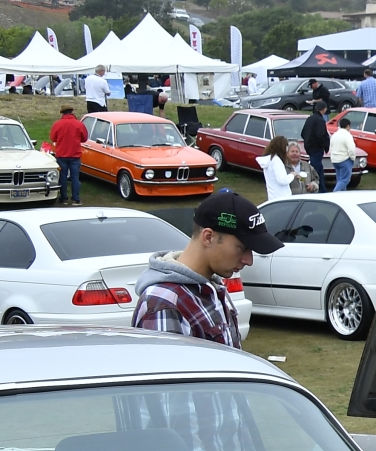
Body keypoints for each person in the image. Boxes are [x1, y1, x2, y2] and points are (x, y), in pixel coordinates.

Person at [131, 190, 282, 347]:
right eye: (242, 247)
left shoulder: (212, 288)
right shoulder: (164, 304)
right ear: (208, 237)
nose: (249, 260)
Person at [47, 105, 84, 205]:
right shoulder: (79, 124)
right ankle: (76, 199)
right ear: (72, 112)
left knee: (62, 177)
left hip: (61, 155)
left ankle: (63, 198)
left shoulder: (57, 124)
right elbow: (84, 138)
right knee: (75, 177)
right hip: (75, 155)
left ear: (62, 113)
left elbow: (53, 138)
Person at [257, 134, 303, 203]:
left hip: (273, 197)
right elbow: (282, 180)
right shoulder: (276, 161)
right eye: (286, 146)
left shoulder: (270, 160)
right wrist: (292, 175)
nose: (286, 149)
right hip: (281, 198)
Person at [300, 103, 331, 189]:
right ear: (323, 109)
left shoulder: (309, 119)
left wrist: (308, 141)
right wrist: (325, 145)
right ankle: (313, 186)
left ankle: (322, 188)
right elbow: (321, 135)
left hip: (309, 147)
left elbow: (303, 133)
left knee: (319, 168)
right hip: (316, 148)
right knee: (315, 170)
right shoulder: (320, 120)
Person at [328, 115, 362, 191]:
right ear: (348, 126)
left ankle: (342, 194)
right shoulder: (347, 135)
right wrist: (352, 158)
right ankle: (334, 193)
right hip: (344, 160)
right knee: (345, 180)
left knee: (339, 179)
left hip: (335, 160)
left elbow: (331, 147)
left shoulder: (334, 135)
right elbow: (351, 149)